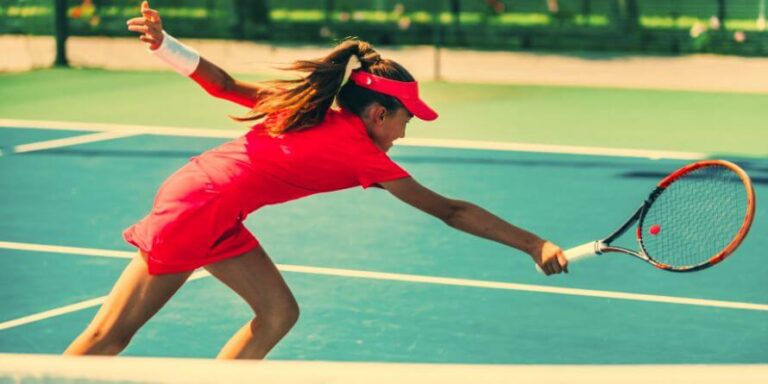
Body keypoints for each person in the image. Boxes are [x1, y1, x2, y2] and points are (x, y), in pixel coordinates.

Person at [64, 1, 568, 360]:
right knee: (110, 336)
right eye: (405, 120)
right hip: (199, 208)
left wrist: (165, 45)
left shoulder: (309, 110)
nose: (404, 133)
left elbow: (221, 85)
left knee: (278, 314)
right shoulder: (358, 150)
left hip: (209, 200)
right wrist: (533, 243)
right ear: (376, 113)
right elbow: (451, 210)